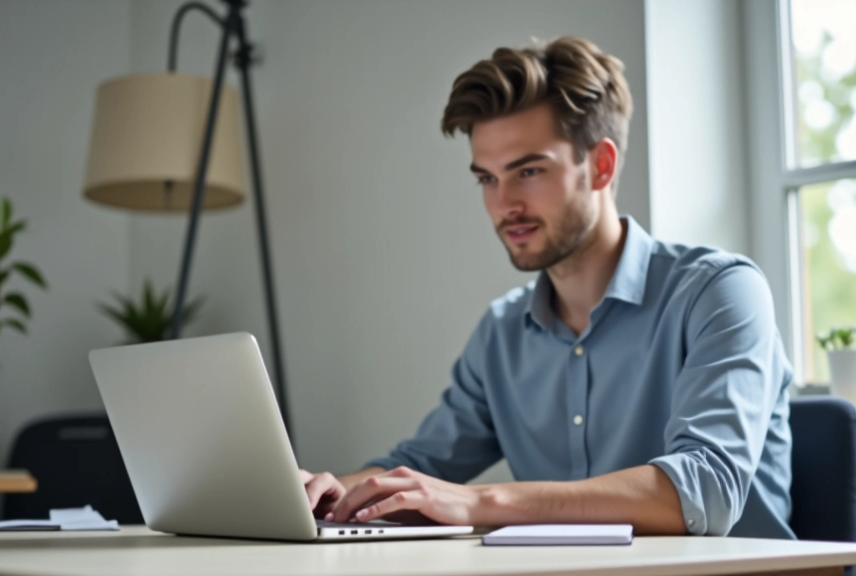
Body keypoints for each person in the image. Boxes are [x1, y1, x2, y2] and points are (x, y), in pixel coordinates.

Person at [300, 36, 794, 538]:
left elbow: (703, 491)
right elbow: (420, 465)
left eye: (528, 171)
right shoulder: (502, 332)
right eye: (486, 179)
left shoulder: (720, 292)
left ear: (600, 165)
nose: (503, 204)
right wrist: (321, 494)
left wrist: (480, 502)